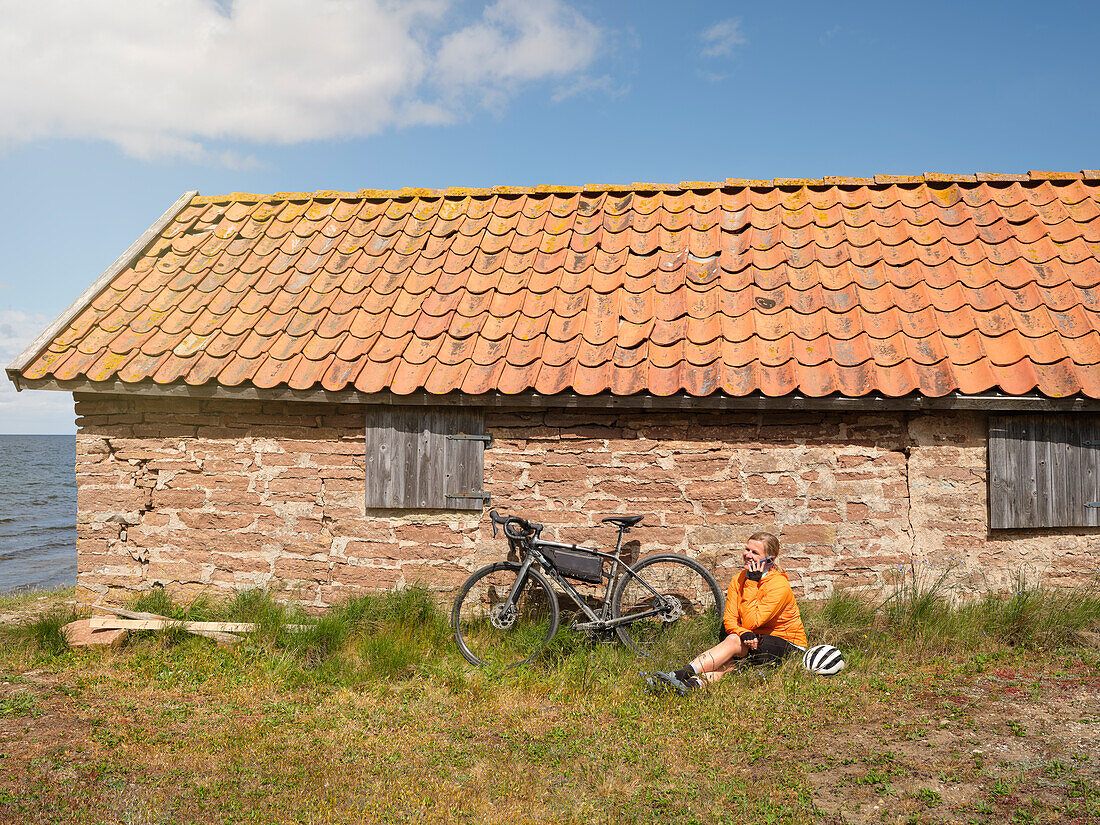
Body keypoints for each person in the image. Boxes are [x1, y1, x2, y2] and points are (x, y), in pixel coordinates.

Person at [651, 531, 807, 692]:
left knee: (733, 640)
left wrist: (752, 583)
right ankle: (688, 686)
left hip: (786, 644)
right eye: (747, 550)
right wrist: (744, 633)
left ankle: (678, 675)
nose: (748, 555)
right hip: (751, 639)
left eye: (755, 552)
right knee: (730, 663)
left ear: (770, 560)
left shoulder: (778, 585)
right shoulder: (738, 579)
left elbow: (751, 622)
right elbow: (730, 619)